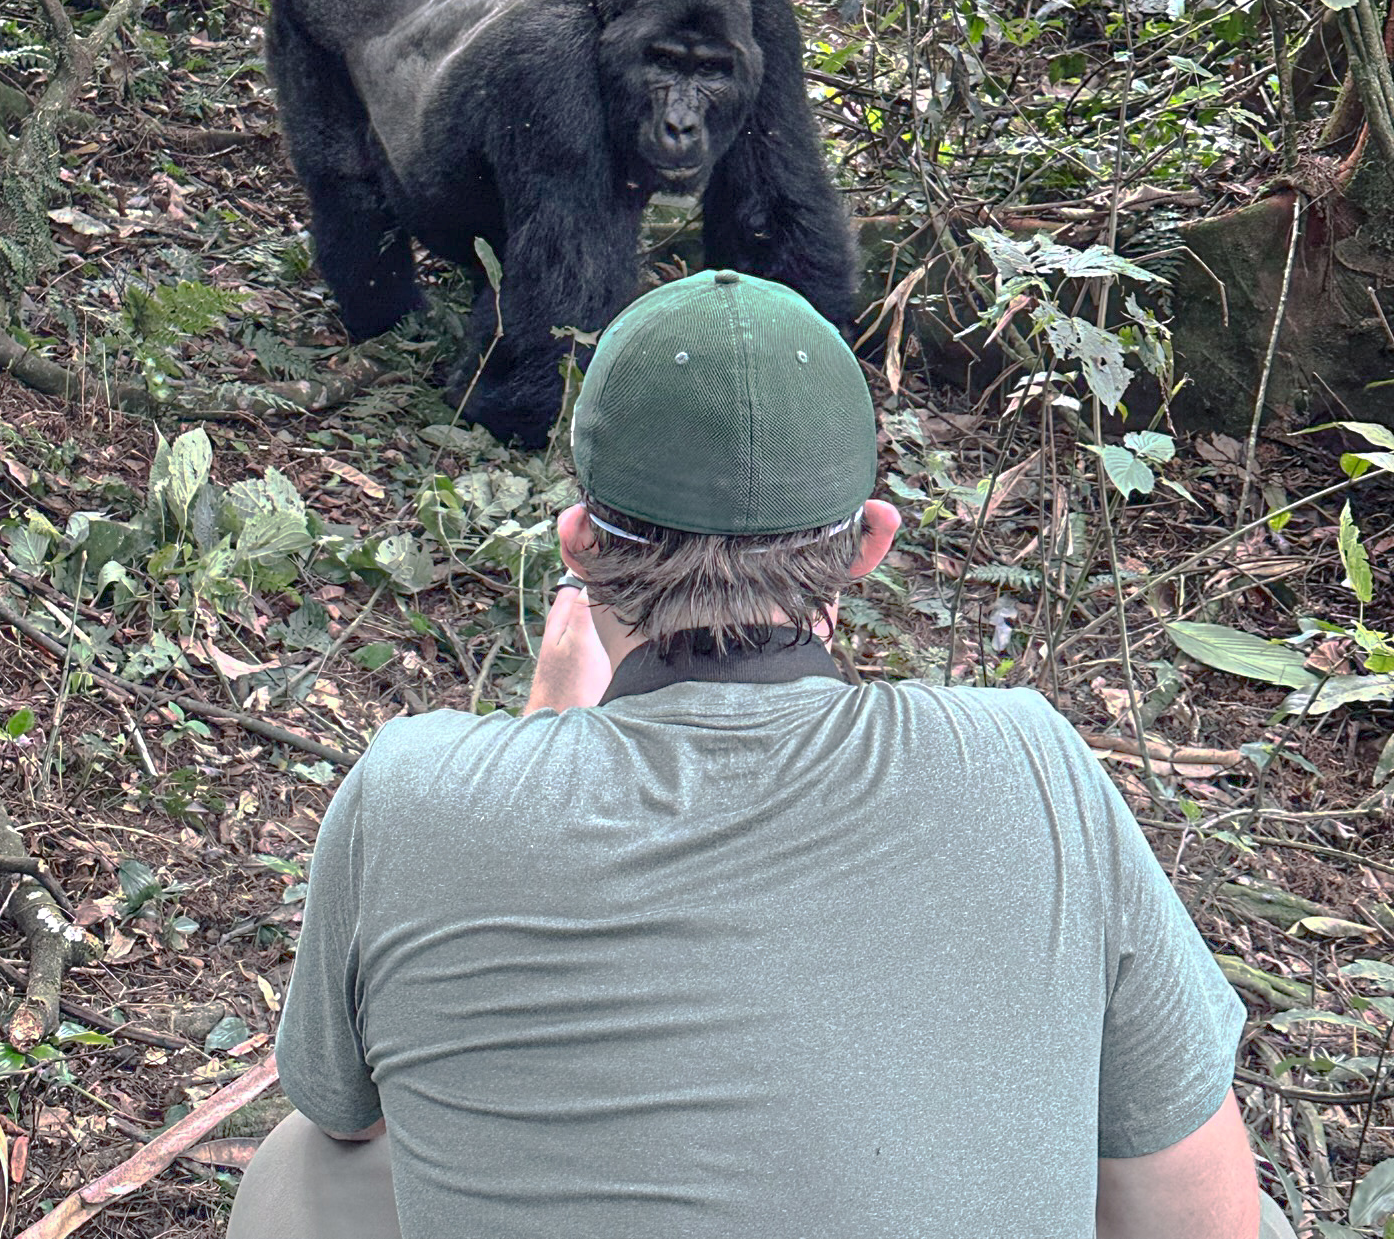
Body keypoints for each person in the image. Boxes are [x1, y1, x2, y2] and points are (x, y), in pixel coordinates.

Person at [229, 269, 1291, 1239]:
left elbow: (348, 1115)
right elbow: (1193, 1202)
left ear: (581, 546)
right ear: (869, 542)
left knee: (302, 1169)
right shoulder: (1030, 762)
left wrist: (549, 733)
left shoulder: (413, 795)